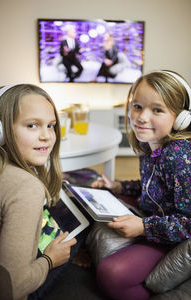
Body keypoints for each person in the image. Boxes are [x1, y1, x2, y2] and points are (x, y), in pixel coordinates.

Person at [90, 70, 191, 299]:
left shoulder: (180, 157)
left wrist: (145, 227)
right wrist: (118, 187)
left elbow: (188, 222)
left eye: (157, 110)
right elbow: (153, 185)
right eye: (137, 106)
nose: (142, 117)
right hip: (154, 216)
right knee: (95, 202)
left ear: (182, 117)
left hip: (172, 235)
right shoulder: (150, 144)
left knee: (113, 274)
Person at [0, 84, 84, 300]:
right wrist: (50, 259)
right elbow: (10, 289)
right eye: (32, 125)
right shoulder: (26, 187)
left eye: (51, 125)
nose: (47, 136)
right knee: (82, 229)